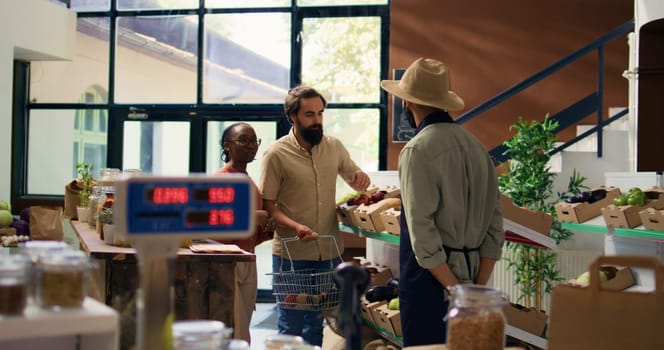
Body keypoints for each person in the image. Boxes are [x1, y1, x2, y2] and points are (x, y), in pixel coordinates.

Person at [380, 58, 505, 347]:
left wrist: (453, 289)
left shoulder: (417, 150)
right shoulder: (478, 149)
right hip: (473, 278)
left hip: (429, 285)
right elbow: (495, 226)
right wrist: (473, 291)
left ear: (407, 103)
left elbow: (421, 232)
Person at [259, 85, 371, 346]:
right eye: (309, 115)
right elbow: (270, 207)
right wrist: (296, 226)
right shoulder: (275, 154)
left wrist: (361, 180)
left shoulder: (333, 146)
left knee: (317, 324)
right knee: (291, 327)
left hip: (329, 254)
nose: (317, 120)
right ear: (292, 117)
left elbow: (354, 177)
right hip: (292, 257)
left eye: (320, 113)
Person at [213, 122, 274, 343]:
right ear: (227, 146)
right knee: (235, 327)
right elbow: (212, 224)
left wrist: (268, 229)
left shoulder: (249, 182)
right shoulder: (220, 179)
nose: (251, 146)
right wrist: (252, 217)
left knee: (244, 324)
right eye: (244, 140)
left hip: (247, 259)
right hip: (226, 263)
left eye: (254, 141)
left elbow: (251, 235)